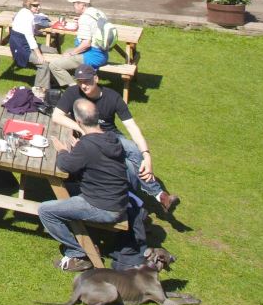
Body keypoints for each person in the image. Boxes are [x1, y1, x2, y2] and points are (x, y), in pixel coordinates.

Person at [51, 65, 180, 216]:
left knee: (132, 151)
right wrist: (81, 129)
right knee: (127, 166)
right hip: (88, 138)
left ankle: (157, 196)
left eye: (87, 81)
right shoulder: (73, 92)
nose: (83, 85)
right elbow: (56, 116)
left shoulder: (112, 97)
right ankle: (147, 200)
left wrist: (147, 155)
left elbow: (132, 127)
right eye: (80, 81)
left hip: (111, 137)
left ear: (96, 79)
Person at [38, 96, 146, 271]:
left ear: (78, 121)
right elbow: (95, 156)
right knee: (63, 189)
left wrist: (63, 150)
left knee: (45, 210)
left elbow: (66, 165)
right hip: (118, 200)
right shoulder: (112, 138)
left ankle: (77, 253)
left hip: (103, 207)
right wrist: (80, 146)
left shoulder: (87, 146)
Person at [34, 0, 113, 94]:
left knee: (54, 65)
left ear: (82, 5)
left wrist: (72, 53)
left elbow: (86, 44)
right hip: (103, 53)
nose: (73, 6)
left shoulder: (85, 18)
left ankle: (76, 89)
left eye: (75, 3)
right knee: (66, 52)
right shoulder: (97, 13)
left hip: (92, 56)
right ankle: (58, 80)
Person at [9, 0, 51, 70]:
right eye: (35, 5)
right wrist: (39, 55)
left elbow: (27, 29)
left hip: (23, 42)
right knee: (43, 65)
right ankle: (42, 82)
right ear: (28, 5)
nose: (39, 7)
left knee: (53, 50)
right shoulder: (29, 16)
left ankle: (52, 76)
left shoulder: (23, 11)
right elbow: (30, 38)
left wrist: (36, 31)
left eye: (39, 5)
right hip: (20, 46)